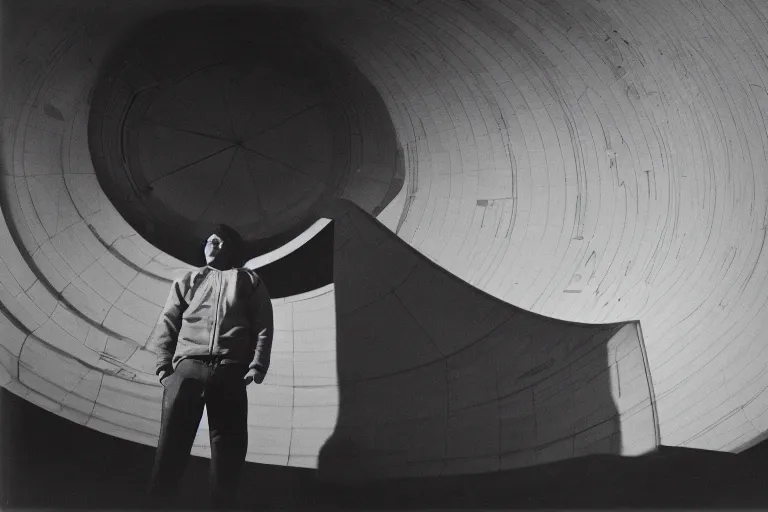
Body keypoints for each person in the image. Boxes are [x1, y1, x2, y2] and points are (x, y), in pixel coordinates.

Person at [146, 225, 273, 509]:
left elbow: (263, 323)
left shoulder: (248, 280)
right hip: (188, 368)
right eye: (208, 241)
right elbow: (168, 322)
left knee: (228, 454)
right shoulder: (189, 279)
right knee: (170, 450)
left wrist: (257, 365)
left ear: (229, 247)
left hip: (230, 370)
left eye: (218, 241)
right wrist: (165, 368)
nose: (211, 245)